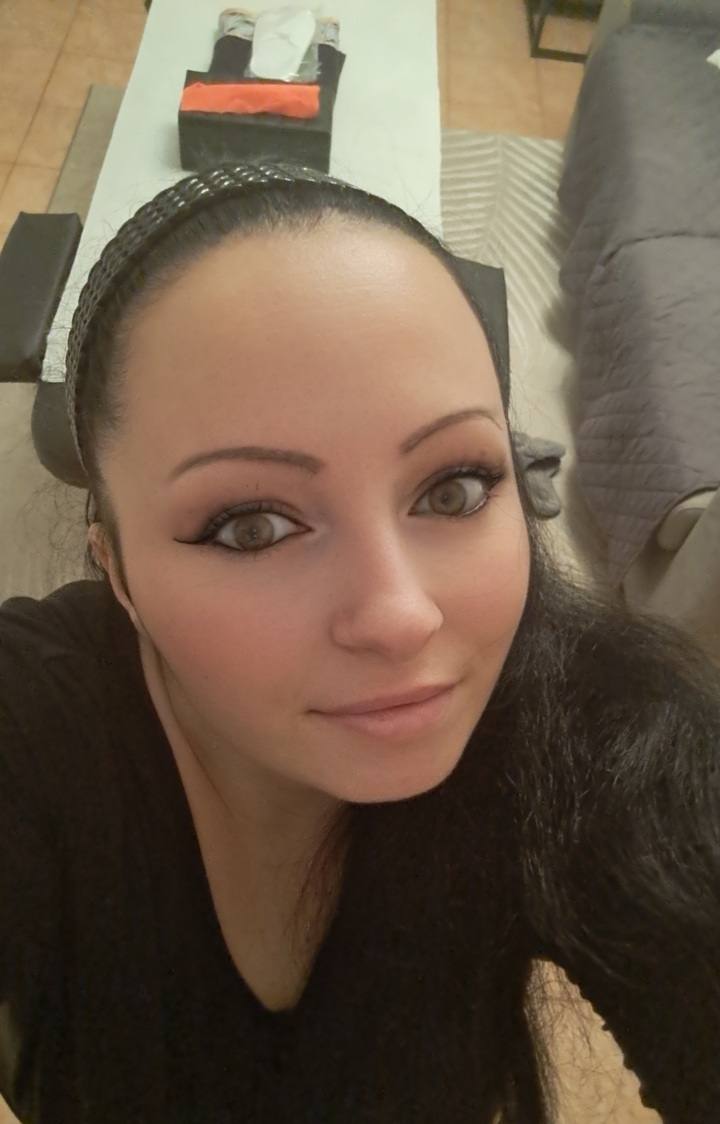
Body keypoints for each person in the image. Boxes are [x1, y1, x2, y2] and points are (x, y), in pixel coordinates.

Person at [0, 160, 718, 1124]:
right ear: (117, 569)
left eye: (453, 489)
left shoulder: (596, 735)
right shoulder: (33, 734)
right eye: (251, 526)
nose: (400, 616)